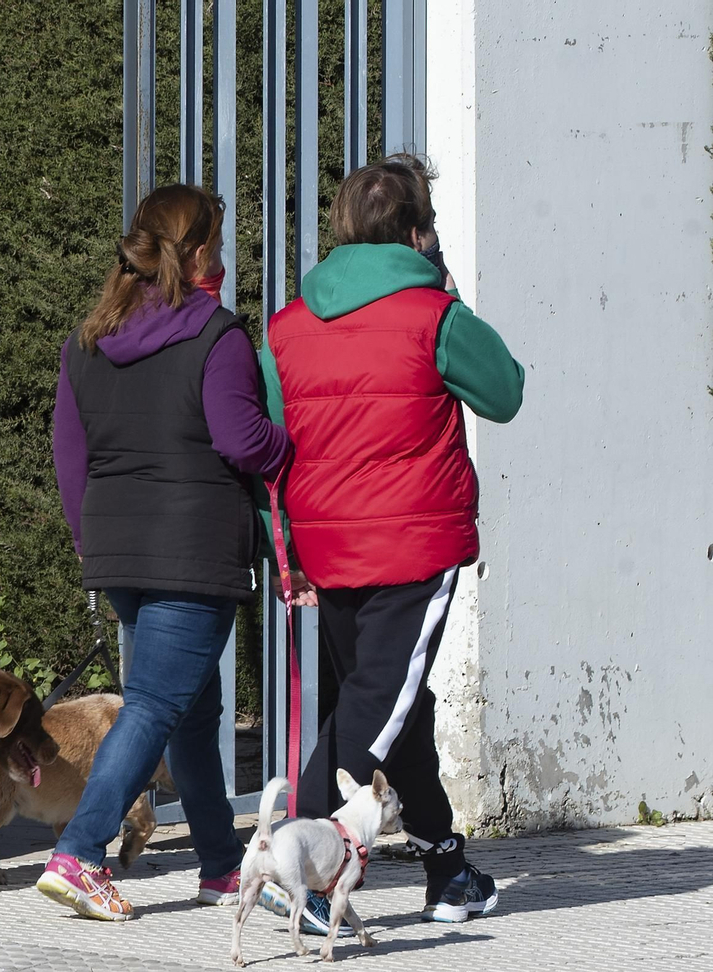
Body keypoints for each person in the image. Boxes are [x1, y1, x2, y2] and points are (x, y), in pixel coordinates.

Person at [257, 153, 524, 931]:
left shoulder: (286, 326)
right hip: (414, 542)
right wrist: (446, 290)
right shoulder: (433, 315)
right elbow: (504, 391)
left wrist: (288, 553)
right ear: (417, 234)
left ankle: (447, 867)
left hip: (329, 544)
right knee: (376, 708)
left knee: (393, 706)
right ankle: (294, 860)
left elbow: (273, 449)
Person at [37, 184, 293, 921]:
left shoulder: (87, 341)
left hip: (118, 548)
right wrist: (290, 443)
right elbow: (244, 440)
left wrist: (92, 542)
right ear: (202, 251)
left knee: (191, 709)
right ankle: (80, 853)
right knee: (153, 705)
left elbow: (69, 458)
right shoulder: (217, 336)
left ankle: (221, 866)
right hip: (193, 547)